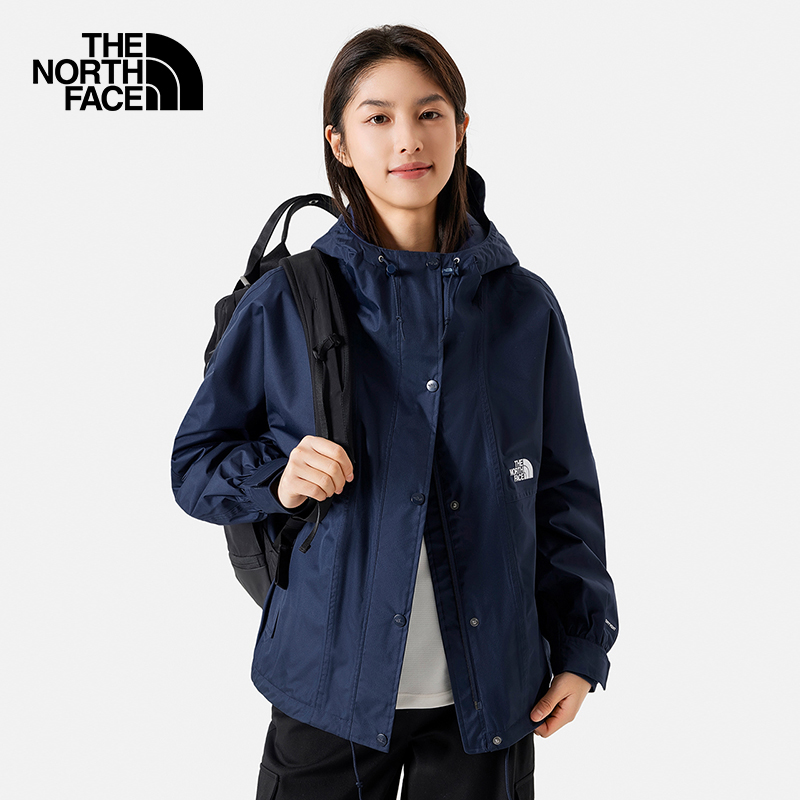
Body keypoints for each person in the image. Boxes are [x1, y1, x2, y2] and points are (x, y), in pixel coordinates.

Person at [171, 23, 619, 800]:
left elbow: (561, 489)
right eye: (377, 117)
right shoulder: (287, 300)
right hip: (328, 687)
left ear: (461, 129)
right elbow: (194, 465)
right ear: (339, 143)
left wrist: (581, 648)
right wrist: (278, 478)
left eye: (429, 112)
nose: (408, 138)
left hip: (491, 695)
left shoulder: (523, 307)